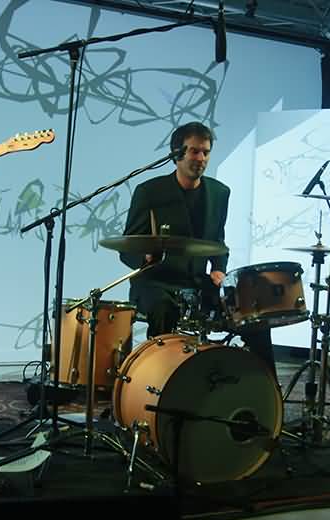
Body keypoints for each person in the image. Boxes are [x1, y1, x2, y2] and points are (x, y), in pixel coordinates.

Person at [119, 122, 277, 377]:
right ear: (176, 154)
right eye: (194, 151)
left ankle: (267, 387)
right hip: (154, 284)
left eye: (206, 152)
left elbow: (218, 242)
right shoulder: (149, 192)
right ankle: (159, 382)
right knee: (164, 309)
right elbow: (127, 248)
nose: (201, 158)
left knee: (253, 313)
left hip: (196, 283)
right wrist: (145, 257)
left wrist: (218, 268)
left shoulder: (219, 193)